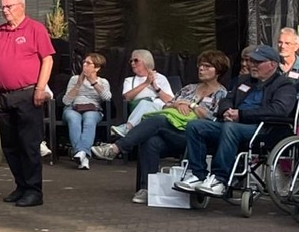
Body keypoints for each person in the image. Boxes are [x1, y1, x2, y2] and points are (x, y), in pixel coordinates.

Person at [91, 50, 230, 202]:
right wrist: (178, 104)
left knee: (158, 121)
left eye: (207, 66)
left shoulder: (221, 93)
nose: (201, 69)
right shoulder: (189, 88)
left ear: (218, 71)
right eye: (200, 65)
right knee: (151, 141)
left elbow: (214, 118)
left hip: (195, 137)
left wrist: (191, 105)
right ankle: (146, 189)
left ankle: (117, 148)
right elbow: (166, 106)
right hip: (174, 130)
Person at [174, 44, 297, 198]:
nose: (252, 65)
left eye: (257, 62)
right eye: (251, 61)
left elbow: (278, 110)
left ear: (272, 64)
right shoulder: (244, 80)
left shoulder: (284, 85)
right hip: (233, 123)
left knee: (230, 128)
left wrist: (241, 115)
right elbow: (227, 99)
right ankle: (198, 175)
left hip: (264, 129)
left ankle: (220, 179)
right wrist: (226, 111)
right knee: (195, 126)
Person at [0, 0, 54, 207]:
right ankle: (21, 185)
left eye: (8, 6)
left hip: (27, 94)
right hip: (5, 96)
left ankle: (34, 190)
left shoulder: (35, 29)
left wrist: (40, 88)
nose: (4, 11)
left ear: (21, 6)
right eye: (2, 7)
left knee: (29, 144)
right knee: (9, 145)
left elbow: (47, 59)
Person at [61, 53, 111, 169]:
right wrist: (78, 84)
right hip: (73, 108)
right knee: (73, 119)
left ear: (97, 67)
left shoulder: (103, 82)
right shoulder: (74, 79)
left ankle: (80, 153)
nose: (84, 65)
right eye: (84, 62)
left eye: (88, 63)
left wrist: (93, 82)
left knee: (89, 119)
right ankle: (84, 155)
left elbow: (107, 98)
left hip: (93, 109)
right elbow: (66, 101)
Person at [113, 49, 173, 137]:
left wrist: (156, 87)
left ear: (146, 61)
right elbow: (126, 97)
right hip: (140, 111)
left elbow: (170, 100)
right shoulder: (129, 80)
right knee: (144, 103)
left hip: (160, 109)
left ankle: (127, 128)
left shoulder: (160, 78)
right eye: (131, 61)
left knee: (146, 104)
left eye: (136, 60)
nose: (132, 63)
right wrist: (146, 83)